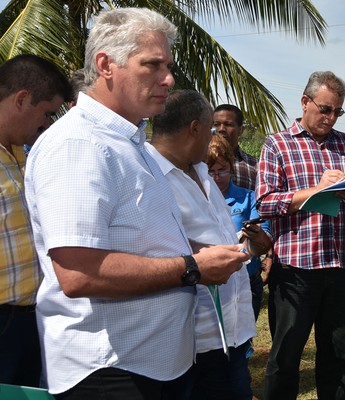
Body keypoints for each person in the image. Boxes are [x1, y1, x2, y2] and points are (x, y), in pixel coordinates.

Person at [24, 8, 250, 398]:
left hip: (152, 365)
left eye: (169, 65)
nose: (168, 79)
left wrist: (196, 253)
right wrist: (193, 267)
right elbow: (78, 273)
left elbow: (137, 240)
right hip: (111, 371)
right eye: (152, 65)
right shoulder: (79, 144)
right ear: (105, 65)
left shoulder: (132, 144)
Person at [256, 71, 345, 400]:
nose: (331, 117)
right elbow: (265, 202)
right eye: (325, 109)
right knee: (286, 354)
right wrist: (315, 191)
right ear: (305, 102)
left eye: (337, 111)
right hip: (296, 268)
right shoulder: (278, 145)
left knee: (338, 353)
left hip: (342, 265)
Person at [148, 89, 272, 399]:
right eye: (211, 128)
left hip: (232, 333)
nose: (216, 135)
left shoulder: (202, 171)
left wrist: (251, 248)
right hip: (191, 341)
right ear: (195, 128)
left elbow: (219, 240)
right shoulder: (149, 176)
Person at [0, 54, 70, 388]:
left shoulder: (25, 154)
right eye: (45, 114)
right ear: (22, 99)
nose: (46, 125)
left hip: (32, 318)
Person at [207, 134, 272, 322]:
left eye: (222, 170)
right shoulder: (196, 200)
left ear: (232, 168)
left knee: (242, 344)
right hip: (209, 283)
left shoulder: (249, 198)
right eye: (211, 172)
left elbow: (264, 237)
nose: (217, 177)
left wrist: (257, 234)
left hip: (247, 282)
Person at [213, 104, 258, 191]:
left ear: (241, 130)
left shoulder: (254, 166)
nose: (221, 129)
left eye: (228, 124)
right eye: (216, 124)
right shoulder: (199, 163)